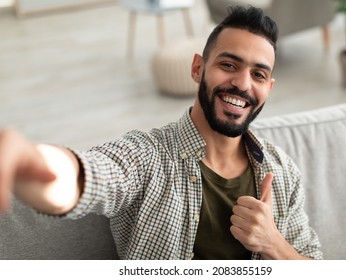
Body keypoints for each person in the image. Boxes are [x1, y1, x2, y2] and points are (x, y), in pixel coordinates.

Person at [0, 6, 322, 260]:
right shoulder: (147, 156)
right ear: (198, 68)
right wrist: (31, 161)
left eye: (258, 74)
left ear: (269, 87)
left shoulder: (281, 171)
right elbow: (93, 177)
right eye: (228, 65)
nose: (243, 83)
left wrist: (272, 243)